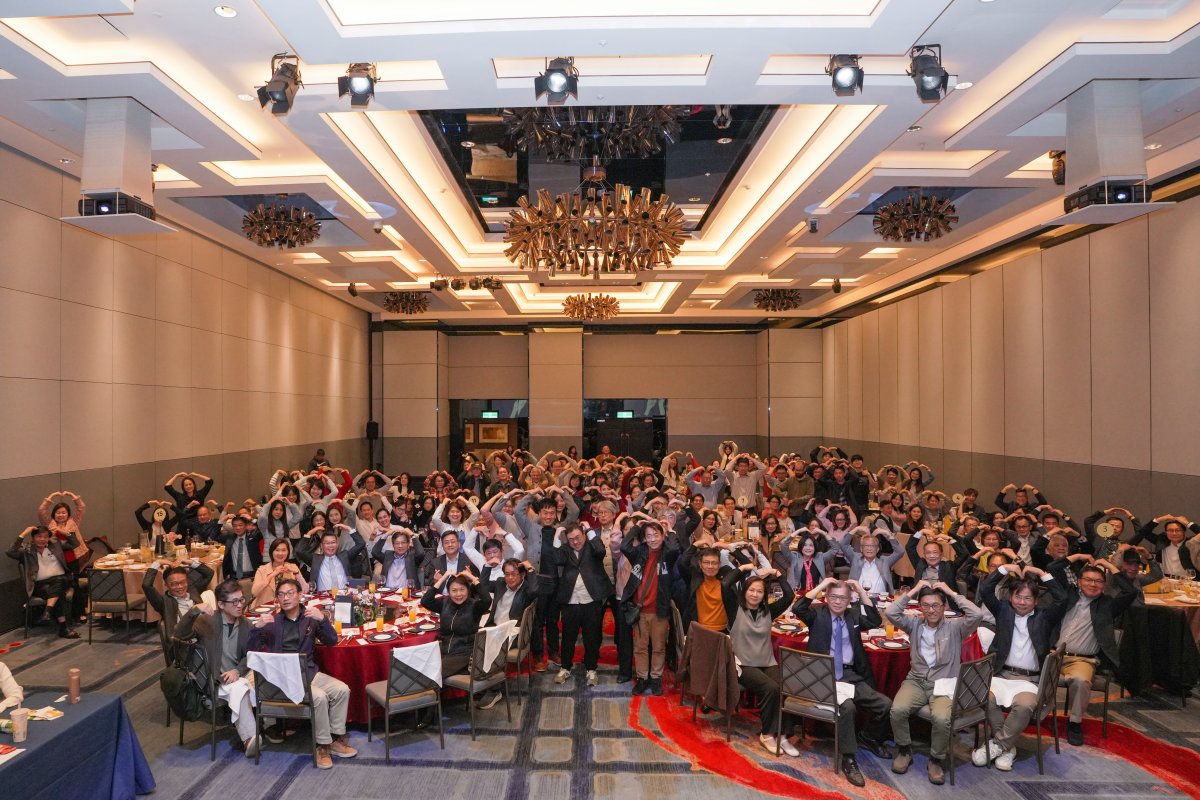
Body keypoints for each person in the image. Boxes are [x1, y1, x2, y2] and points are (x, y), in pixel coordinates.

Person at [792, 576, 893, 786]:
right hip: (823, 675)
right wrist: (822, 585)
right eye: (834, 597)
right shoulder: (817, 615)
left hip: (849, 675)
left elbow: (875, 620)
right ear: (827, 597)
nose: (838, 602)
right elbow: (798, 608)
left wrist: (861, 590)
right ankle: (848, 757)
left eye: (843, 598)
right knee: (848, 707)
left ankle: (867, 737)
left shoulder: (853, 615)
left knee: (885, 705)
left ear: (849, 600)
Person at [248, 579, 357, 769]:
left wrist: (322, 619)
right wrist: (257, 628)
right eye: (281, 594)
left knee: (342, 690)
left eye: (290, 593)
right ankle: (322, 746)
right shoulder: (272, 622)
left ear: (300, 595)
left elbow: (332, 641)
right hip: (283, 679)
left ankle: (335, 738)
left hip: (309, 673)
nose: (285, 598)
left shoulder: (310, 618)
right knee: (320, 697)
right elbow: (250, 651)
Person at [885, 580, 984, 785]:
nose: (931, 610)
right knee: (897, 710)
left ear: (944, 606)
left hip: (944, 683)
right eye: (926, 605)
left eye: (936, 605)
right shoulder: (914, 624)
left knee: (941, 718)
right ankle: (904, 750)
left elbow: (976, 614)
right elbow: (891, 612)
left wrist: (950, 591)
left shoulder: (956, 627)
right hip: (916, 680)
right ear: (920, 607)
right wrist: (913, 590)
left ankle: (936, 759)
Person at [973, 564, 1069, 770]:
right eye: (1018, 597)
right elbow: (986, 589)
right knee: (985, 697)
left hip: (1030, 680)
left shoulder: (1045, 616)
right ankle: (1008, 748)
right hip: (1001, 674)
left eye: (1028, 598)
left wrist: (1042, 574)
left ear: (1036, 601)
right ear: (1010, 597)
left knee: (1024, 706)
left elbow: (1062, 598)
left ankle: (998, 745)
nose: (1022, 602)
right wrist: (1005, 568)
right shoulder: (1004, 612)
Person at [1052, 561, 1137, 746]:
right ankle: (1036, 713)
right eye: (1088, 580)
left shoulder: (1107, 605)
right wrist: (1077, 556)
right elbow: (1052, 568)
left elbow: (1131, 592)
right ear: (1079, 581)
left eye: (1098, 581)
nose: (1093, 584)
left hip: (1082, 660)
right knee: (1035, 672)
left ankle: (1074, 723)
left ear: (1104, 585)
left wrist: (1109, 565)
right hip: (1054, 654)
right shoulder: (1067, 596)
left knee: (1081, 681)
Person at [175, 579, 258, 757]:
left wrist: (237, 670)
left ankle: (256, 734)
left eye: (241, 600)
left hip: (237, 676)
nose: (240, 605)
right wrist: (194, 610)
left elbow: (249, 655)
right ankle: (251, 737)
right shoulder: (207, 621)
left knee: (255, 679)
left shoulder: (246, 624)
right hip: (213, 681)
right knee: (241, 688)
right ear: (221, 604)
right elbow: (179, 634)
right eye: (234, 602)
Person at [722, 562, 797, 757]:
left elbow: (789, 596)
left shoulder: (768, 611)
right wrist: (743, 568)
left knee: (785, 686)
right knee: (770, 688)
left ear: (765, 595)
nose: (755, 594)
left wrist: (776, 573)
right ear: (745, 591)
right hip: (742, 664)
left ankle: (783, 735)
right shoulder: (734, 609)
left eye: (760, 591)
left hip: (766, 662)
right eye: (751, 590)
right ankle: (767, 734)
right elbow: (725, 584)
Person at [420, 570, 498, 709]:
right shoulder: (444, 603)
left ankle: (429, 712)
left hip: (464, 652)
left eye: (462, 590)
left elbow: (487, 599)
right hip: (443, 650)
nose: (458, 594)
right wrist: (443, 578)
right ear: (449, 592)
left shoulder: (475, 606)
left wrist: (472, 577)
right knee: (421, 666)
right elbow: (425, 600)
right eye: (454, 590)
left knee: (433, 672)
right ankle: (426, 708)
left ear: (468, 590)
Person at [619, 520, 680, 696]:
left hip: (659, 609)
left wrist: (670, 530)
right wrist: (637, 527)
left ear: (662, 536)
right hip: (639, 610)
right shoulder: (639, 552)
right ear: (644, 538)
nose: (653, 539)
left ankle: (655, 678)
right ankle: (642, 678)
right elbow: (624, 546)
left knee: (659, 647)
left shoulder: (667, 554)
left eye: (656, 535)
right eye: (649, 536)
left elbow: (675, 547)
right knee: (640, 647)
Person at [549, 523, 613, 688]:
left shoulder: (592, 546)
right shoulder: (565, 549)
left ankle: (591, 669)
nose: (575, 542)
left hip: (591, 600)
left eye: (578, 537)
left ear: (584, 535)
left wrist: (590, 530)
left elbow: (601, 551)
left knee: (592, 637)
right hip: (570, 601)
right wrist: (556, 537)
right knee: (568, 637)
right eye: (571, 539)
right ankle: (565, 667)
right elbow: (555, 560)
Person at [7, 526, 80, 638]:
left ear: (49, 538)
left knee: (59, 581)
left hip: (61, 579)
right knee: (58, 593)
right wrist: (24, 533)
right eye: (39, 536)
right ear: (33, 538)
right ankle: (59, 625)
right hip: (41, 585)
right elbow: (10, 551)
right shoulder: (27, 550)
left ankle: (48, 612)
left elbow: (75, 543)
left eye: (45, 537)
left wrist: (62, 531)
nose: (42, 539)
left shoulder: (55, 545)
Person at [143, 557, 215, 640]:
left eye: (183, 582)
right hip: (184, 641)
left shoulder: (193, 591)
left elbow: (209, 573)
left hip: (204, 634)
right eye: (174, 584)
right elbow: (146, 585)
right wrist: (158, 562)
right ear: (166, 585)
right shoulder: (164, 602)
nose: (180, 586)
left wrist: (188, 562)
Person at [251, 539, 309, 608]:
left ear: (288, 552)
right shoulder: (262, 570)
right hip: (264, 609)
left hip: (286, 607)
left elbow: (305, 590)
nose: (280, 553)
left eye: (284, 550)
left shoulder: (292, 567)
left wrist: (297, 573)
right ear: (271, 552)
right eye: (277, 550)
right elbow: (254, 592)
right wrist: (273, 574)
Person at [488, 558, 538, 627]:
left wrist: (530, 569)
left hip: (512, 629)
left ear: (522, 575)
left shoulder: (526, 589)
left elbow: (534, 591)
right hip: (494, 625)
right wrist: (487, 566)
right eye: (507, 574)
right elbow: (483, 586)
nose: (510, 577)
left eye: (513, 574)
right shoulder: (501, 583)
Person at [221, 513, 263, 593]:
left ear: (246, 526)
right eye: (235, 526)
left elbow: (263, 528)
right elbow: (214, 534)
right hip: (234, 576)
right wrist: (224, 518)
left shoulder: (253, 537)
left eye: (240, 525)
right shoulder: (230, 538)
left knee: (251, 597)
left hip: (251, 576)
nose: (238, 528)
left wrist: (251, 519)